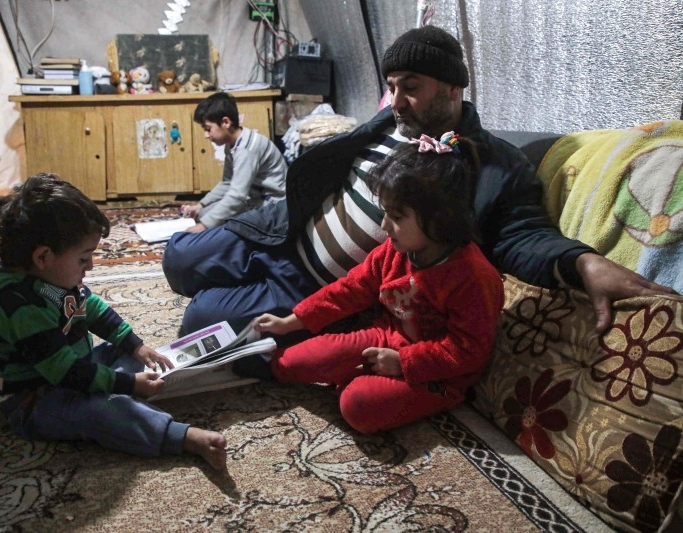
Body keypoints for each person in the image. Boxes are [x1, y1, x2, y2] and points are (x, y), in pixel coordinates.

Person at [162, 25, 673, 363]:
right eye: (392, 86)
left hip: (312, 283)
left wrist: (582, 263)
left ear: (453, 89)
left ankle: (270, 319)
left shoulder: (491, 164)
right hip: (280, 230)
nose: (399, 101)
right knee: (178, 258)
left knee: (200, 319)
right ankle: (239, 276)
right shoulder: (389, 118)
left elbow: (522, 235)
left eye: (412, 86)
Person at [0, 174, 227, 470]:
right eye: (84, 259)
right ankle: (182, 437)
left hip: (64, 366)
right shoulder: (18, 306)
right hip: (30, 396)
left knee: (117, 353)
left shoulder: (49, 274)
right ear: (43, 256)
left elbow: (90, 307)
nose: (91, 266)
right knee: (100, 412)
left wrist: (136, 347)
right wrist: (127, 383)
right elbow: (66, 373)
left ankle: (124, 387)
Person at [253, 133, 505, 434]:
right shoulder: (395, 250)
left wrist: (403, 362)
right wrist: (290, 322)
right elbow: (350, 289)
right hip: (385, 337)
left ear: (440, 219)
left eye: (396, 216)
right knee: (290, 363)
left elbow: (468, 350)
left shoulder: (473, 277)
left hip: (437, 374)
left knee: (357, 405)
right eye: (385, 212)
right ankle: (342, 374)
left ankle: (355, 382)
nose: (384, 225)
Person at [179, 91, 287, 233]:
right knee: (204, 213)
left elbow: (237, 196)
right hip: (254, 197)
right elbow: (227, 182)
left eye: (208, 129)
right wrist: (200, 205)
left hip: (273, 205)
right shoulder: (233, 144)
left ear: (226, 122)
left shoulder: (246, 149)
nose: (206, 135)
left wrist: (202, 227)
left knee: (211, 224)